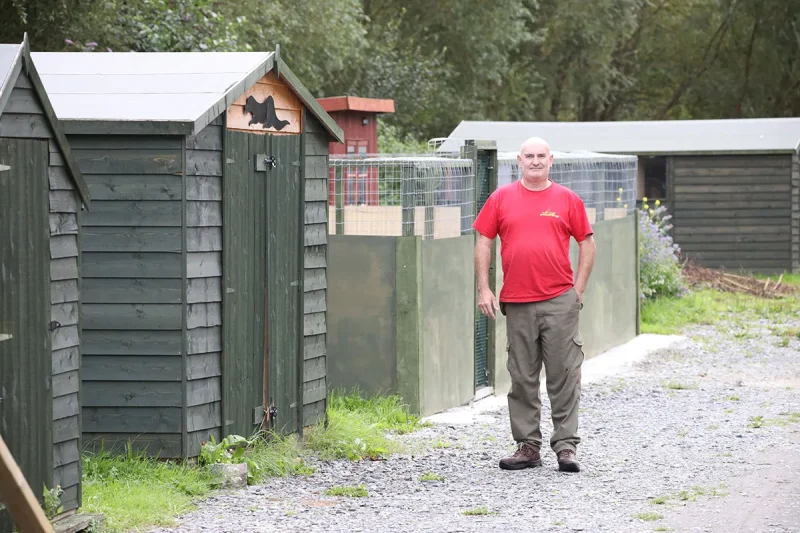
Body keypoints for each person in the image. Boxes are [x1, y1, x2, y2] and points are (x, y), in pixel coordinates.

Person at [472, 136, 596, 473]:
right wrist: (484, 289)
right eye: (530, 156)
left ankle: (566, 447)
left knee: (564, 374)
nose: (536, 161)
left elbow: (586, 243)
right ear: (519, 160)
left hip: (559, 301)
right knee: (522, 377)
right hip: (517, 302)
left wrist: (577, 291)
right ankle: (527, 447)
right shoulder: (501, 198)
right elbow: (483, 240)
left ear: (551, 160)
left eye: (542, 156)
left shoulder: (567, 199)